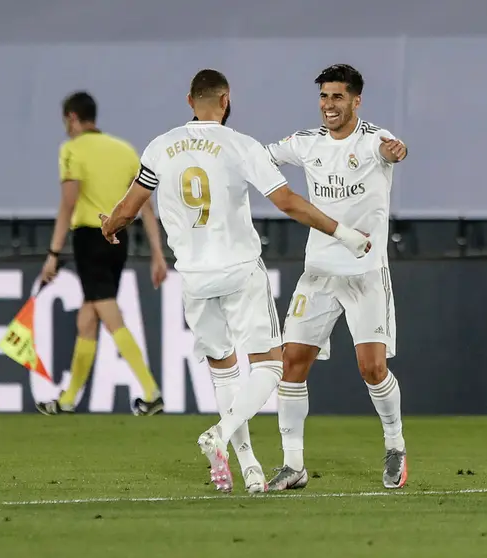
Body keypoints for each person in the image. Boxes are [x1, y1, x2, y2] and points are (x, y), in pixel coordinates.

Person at [100, 69, 371, 493]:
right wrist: (346, 233)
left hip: (193, 276)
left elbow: (129, 207)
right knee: (269, 364)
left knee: (223, 370)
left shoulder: (160, 146)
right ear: (225, 100)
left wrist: (109, 225)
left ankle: (248, 469)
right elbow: (288, 203)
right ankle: (221, 434)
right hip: (240, 269)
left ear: (190, 100)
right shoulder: (240, 145)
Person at [265, 64, 410, 490]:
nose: (329, 105)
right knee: (292, 362)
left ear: (356, 101)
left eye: (337, 97)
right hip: (319, 273)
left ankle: (395, 446)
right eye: (324, 97)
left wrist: (396, 152)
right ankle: (293, 465)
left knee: (372, 368)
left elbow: (393, 151)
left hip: (365, 274)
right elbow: (262, 156)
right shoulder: (306, 143)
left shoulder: (373, 141)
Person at [36, 91, 168, 417]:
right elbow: (145, 206)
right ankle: (67, 401)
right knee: (87, 319)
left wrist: (53, 252)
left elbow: (69, 203)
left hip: (90, 238)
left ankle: (151, 392)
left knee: (108, 313)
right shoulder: (124, 150)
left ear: (72, 118)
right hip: (118, 238)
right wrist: (157, 253)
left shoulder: (71, 150)